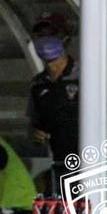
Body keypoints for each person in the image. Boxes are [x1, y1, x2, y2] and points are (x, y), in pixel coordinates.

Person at [27, 12, 79, 194]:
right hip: (59, 163)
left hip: (89, 163)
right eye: (40, 36)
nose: (45, 40)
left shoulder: (84, 75)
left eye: (52, 34)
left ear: (65, 37)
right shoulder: (38, 84)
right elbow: (35, 125)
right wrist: (37, 135)